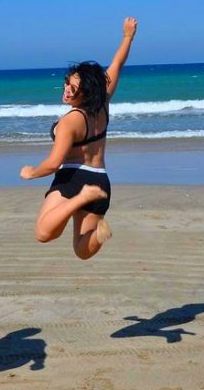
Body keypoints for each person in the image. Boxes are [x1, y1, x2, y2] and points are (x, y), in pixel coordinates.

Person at [20, 17, 137, 260]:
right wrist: (127, 36)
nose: (67, 90)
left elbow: (54, 164)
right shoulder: (103, 101)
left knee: (44, 233)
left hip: (73, 177)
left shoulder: (70, 121)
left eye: (74, 88)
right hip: (100, 179)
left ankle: (80, 199)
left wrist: (31, 172)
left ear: (86, 91)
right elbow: (117, 63)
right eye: (66, 83)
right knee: (82, 249)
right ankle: (99, 232)